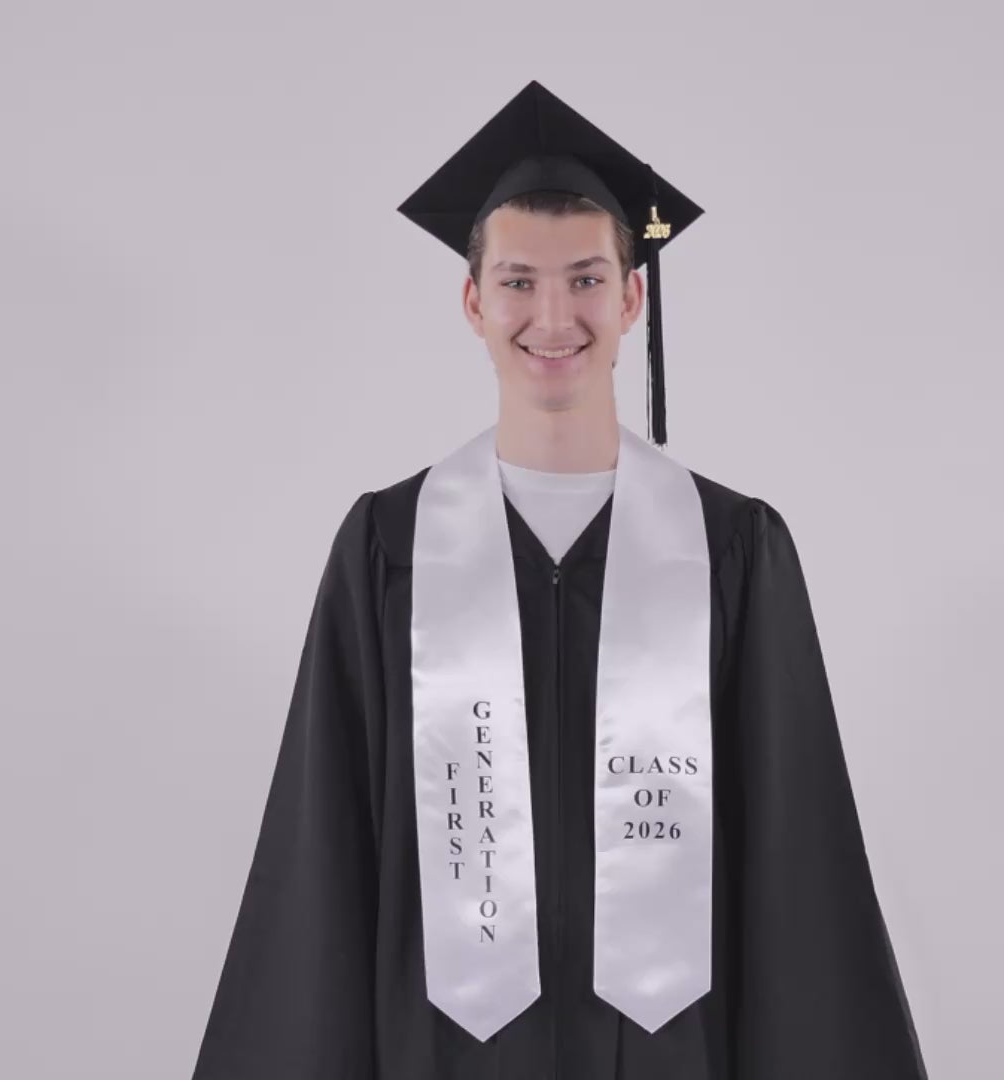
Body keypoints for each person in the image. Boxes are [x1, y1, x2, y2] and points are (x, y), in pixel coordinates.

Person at [192, 80, 928, 1079]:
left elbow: (796, 864)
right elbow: (323, 850)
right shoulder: (388, 548)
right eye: (518, 281)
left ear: (631, 299)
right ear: (474, 301)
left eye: (585, 279)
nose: (552, 315)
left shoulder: (731, 550)